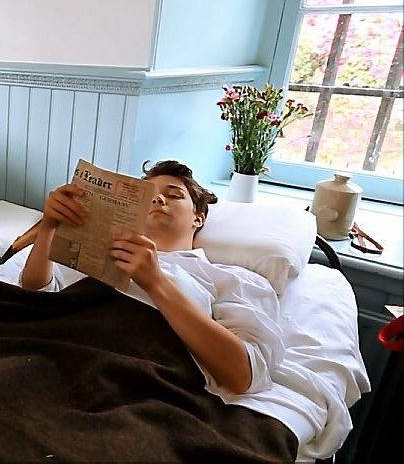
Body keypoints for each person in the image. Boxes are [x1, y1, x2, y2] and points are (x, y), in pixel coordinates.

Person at [20, 160, 283, 396]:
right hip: (52, 350)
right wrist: (49, 227)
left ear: (198, 218)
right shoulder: (98, 254)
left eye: (174, 195)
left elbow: (243, 375)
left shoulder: (230, 279)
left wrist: (155, 283)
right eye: (149, 197)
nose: (158, 200)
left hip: (132, 377)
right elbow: (35, 294)